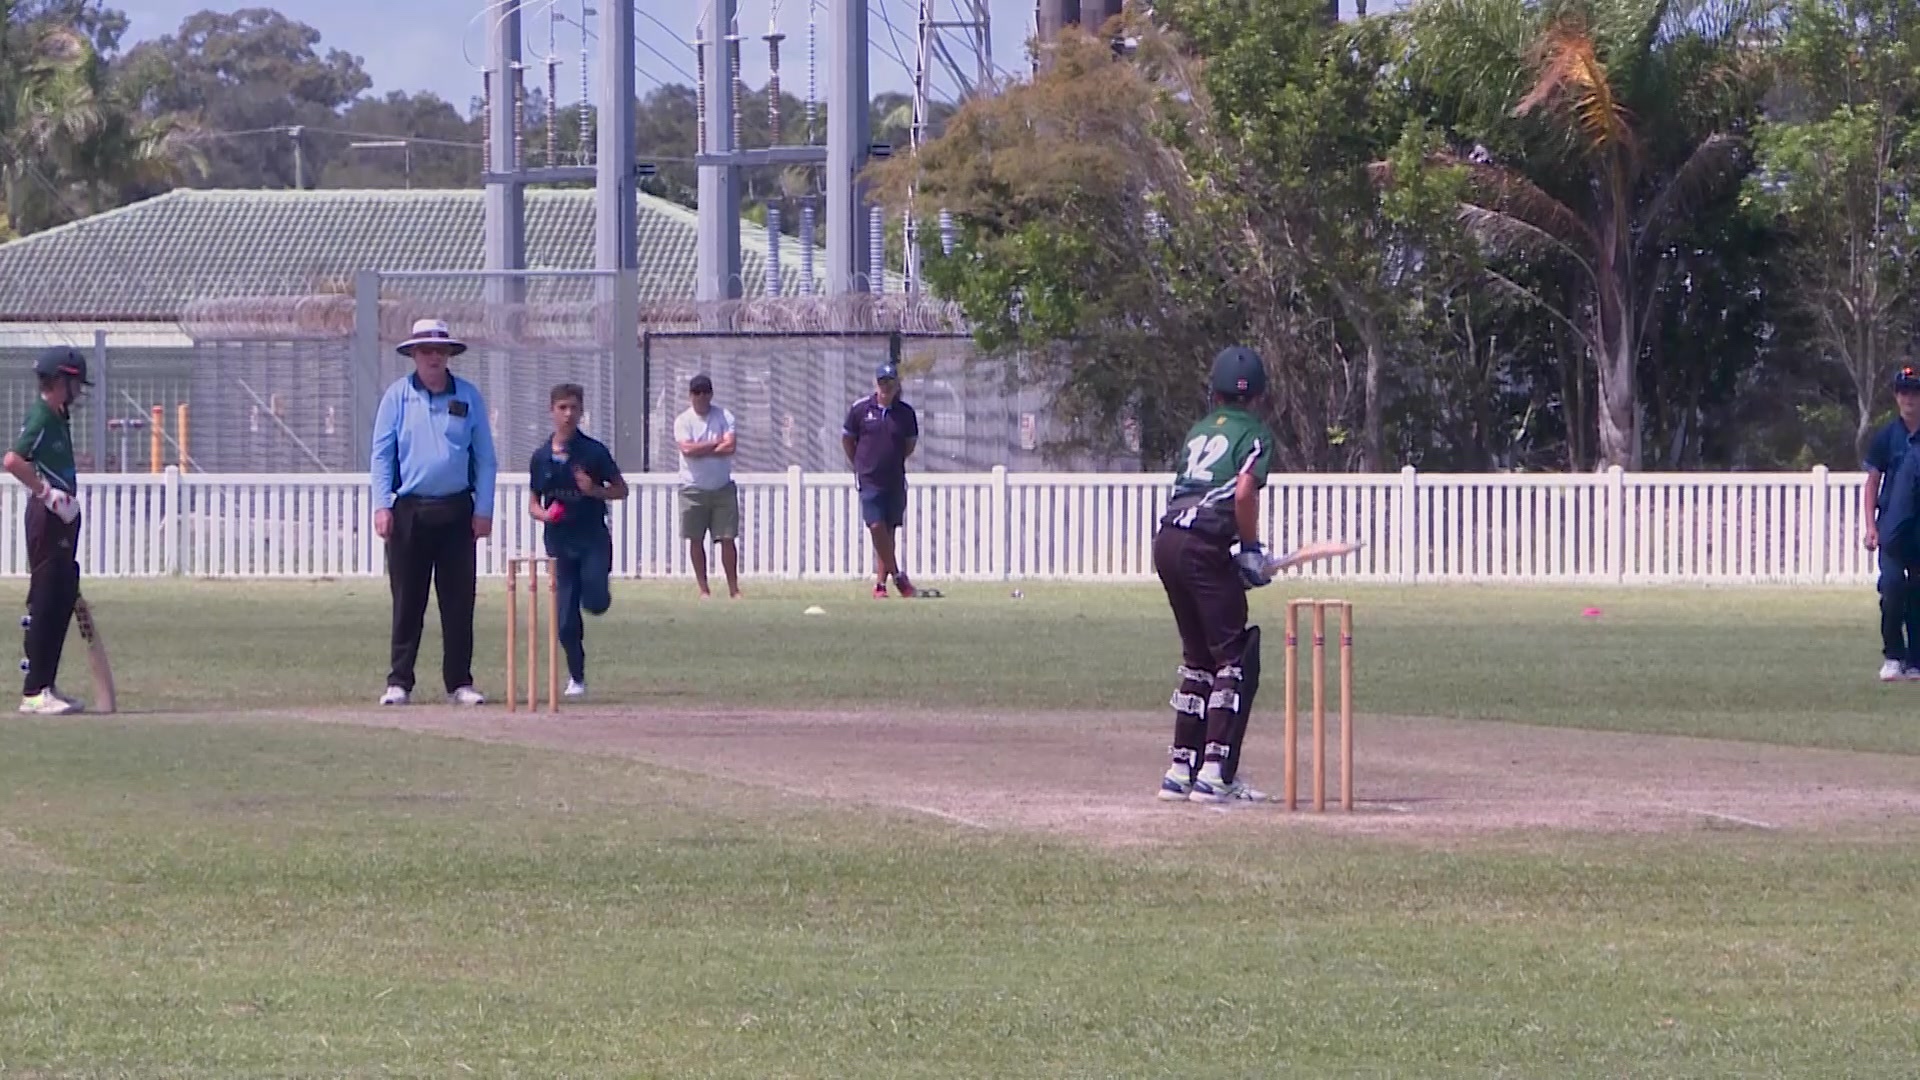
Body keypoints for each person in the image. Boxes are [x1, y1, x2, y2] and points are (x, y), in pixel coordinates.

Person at [1152, 345, 1281, 804]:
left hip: (1168, 541)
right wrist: (1248, 549)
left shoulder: (1197, 431)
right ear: (1259, 396)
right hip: (1205, 542)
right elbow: (1243, 492)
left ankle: (1179, 770)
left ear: (1214, 391)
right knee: (1233, 657)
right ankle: (1214, 773)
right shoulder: (1256, 434)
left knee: (1198, 657)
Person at [370, 318, 498, 706]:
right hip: (409, 510)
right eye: (425, 350)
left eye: (439, 350)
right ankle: (399, 681)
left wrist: (484, 508)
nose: (432, 357)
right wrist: (381, 504)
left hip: (457, 508)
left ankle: (460, 681)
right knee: (408, 599)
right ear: (413, 354)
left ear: (448, 355)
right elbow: (381, 454)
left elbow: (486, 459)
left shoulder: (468, 397)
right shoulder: (396, 397)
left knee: (459, 600)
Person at [4, 346, 90, 715]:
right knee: (45, 597)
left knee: (61, 596)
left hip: (62, 516)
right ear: (61, 381)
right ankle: (34, 690)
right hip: (47, 515)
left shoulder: (58, 418)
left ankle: (47, 686)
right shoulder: (41, 416)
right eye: (75, 384)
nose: (79, 392)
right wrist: (48, 493)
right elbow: (12, 460)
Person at [528, 382, 628, 696]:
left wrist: (594, 491)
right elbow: (533, 502)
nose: (568, 414)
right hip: (559, 543)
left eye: (574, 408)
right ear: (552, 411)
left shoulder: (593, 451)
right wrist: (544, 515)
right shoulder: (541, 457)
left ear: (581, 411)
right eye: (562, 408)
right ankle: (577, 677)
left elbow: (621, 489)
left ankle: (595, 591)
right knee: (565, 620)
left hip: (592, 538)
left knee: (596, 603)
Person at [842, 362, 920, 598]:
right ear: (876, 384)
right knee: (876, 527)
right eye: (882, 382)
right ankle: (898, 577)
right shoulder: (860, 409)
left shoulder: (905, 413)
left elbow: (909, 445)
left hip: (894, 479)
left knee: (889, 532)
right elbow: (847, 439)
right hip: (869, 479)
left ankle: (880, 585)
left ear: (897, 385)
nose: (886, 387)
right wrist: (859, 463)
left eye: (890, 382)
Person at [1864, 364, 1920, 681]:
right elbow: (1872, 482)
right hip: (1893, 527)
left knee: (1919, 593)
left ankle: (1916, 660)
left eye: (1914, 392)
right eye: (1903, 392)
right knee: (1893, 587)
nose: (1908, 398)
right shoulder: (1886, 436)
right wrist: (1871, 527)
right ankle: (1893, 655)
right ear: (1896, 397)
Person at [673, 373, 741, 598]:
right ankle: (704, 589)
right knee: (696, 539)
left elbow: (730, 447)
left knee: (727, 539)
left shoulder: (724, 416)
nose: (701, 397)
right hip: (693, 488)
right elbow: (687, 450)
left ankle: (734, 590)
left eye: (705, 392)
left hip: (722, 487)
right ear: (690, 395)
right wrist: (714, 443)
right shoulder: (683, 420)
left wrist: (701, 448)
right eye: (696, 392)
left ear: (711, 394)